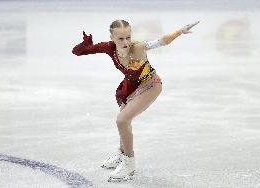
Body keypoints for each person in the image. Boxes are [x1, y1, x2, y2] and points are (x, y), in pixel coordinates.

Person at [72, 19, 199, 182]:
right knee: (124, 120)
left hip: (150, 85)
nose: (125, 42)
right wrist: (86, 45)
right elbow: (82, 51)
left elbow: (161, 41)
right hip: (130, 87)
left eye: (128, 37)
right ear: (112, 37)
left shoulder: (137, 47)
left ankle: (129, 162)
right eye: (120, 39)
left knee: (121, 120)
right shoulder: (109, 47)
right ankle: (122, 154)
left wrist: (179, 31)